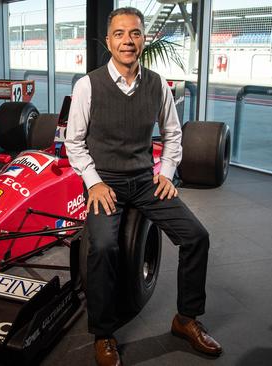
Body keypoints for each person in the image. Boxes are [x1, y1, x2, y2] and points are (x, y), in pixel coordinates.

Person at [65, 7, 222, 366]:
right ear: (108, 41)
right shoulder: (88, 85)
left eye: (134, 33)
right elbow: (73, 143)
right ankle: (104, 334)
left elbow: (172, 133)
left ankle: (186, 319)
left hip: (144, 180)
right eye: (119, 34)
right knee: (103, 247)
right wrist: (93, 182)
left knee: (196, 236)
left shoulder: (156, 85)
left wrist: (166, 172)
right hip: (105, 182)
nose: (127, 41)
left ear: (143, 39)